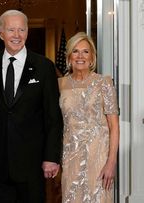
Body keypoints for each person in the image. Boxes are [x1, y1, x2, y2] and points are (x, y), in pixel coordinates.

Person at [0, 9, 63, 203]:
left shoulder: (44, 66)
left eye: (21, 30)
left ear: (27, 32)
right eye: (11, 30)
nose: (17, 35)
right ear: (1, 33)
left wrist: (51, 156)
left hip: (33, 163)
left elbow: (53, 116)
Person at [59, 32, 119, 203]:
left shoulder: (104, 83)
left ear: (92, 57)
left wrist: (111, 162)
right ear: (69, 56)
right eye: (75, 51)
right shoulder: (60, 84)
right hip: (71, 158)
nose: (80, 56)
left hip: (98, 158)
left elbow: (114, 126)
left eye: (85, 52)